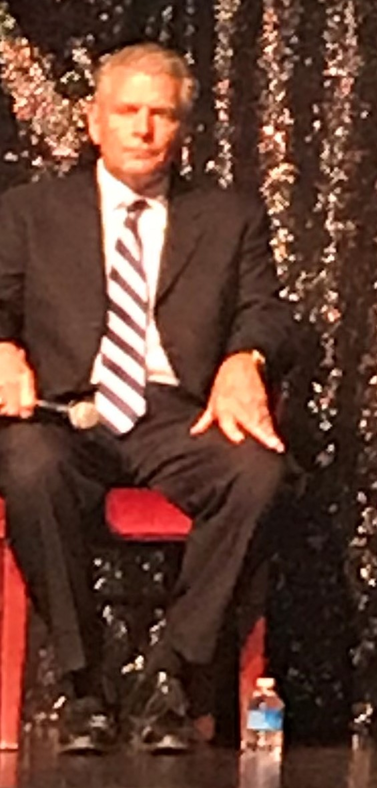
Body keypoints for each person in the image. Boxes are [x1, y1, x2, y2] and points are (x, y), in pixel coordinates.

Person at [0, 41, 297, 755]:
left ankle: (170, 672)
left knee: (257, 473)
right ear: (93, 120)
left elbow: (268, 312)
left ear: (182, 128)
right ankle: (84, 686)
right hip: (68, 409)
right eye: (127, 111)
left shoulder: (228, 215)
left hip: (175, 409)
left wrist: (243, 357)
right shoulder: (30, 211)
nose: (143, 128)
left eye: (160, 114)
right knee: (31, 467)